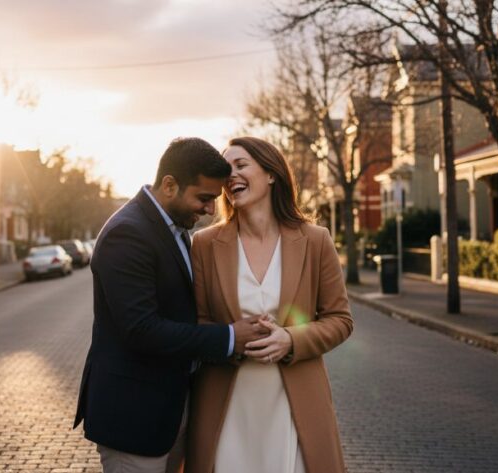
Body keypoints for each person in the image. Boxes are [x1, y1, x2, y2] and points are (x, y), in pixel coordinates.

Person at [74, 137, 268, 473]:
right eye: (204, 198)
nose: (210, 210)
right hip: (134, 418)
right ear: (169, 185)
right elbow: (141, 330)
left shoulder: (174, 228)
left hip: (170, 411)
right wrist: (229, 337)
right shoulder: (128, 233)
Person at [185, 137, 353, 473]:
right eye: (226, 170)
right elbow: (198, 323)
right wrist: (233, 339)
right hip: (226, 402)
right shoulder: (204, 244)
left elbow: (340, 319)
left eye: (241, 165)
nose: (231, 176)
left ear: (272, 173)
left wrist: (290, 340)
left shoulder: (315, 240)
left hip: (296, 402)